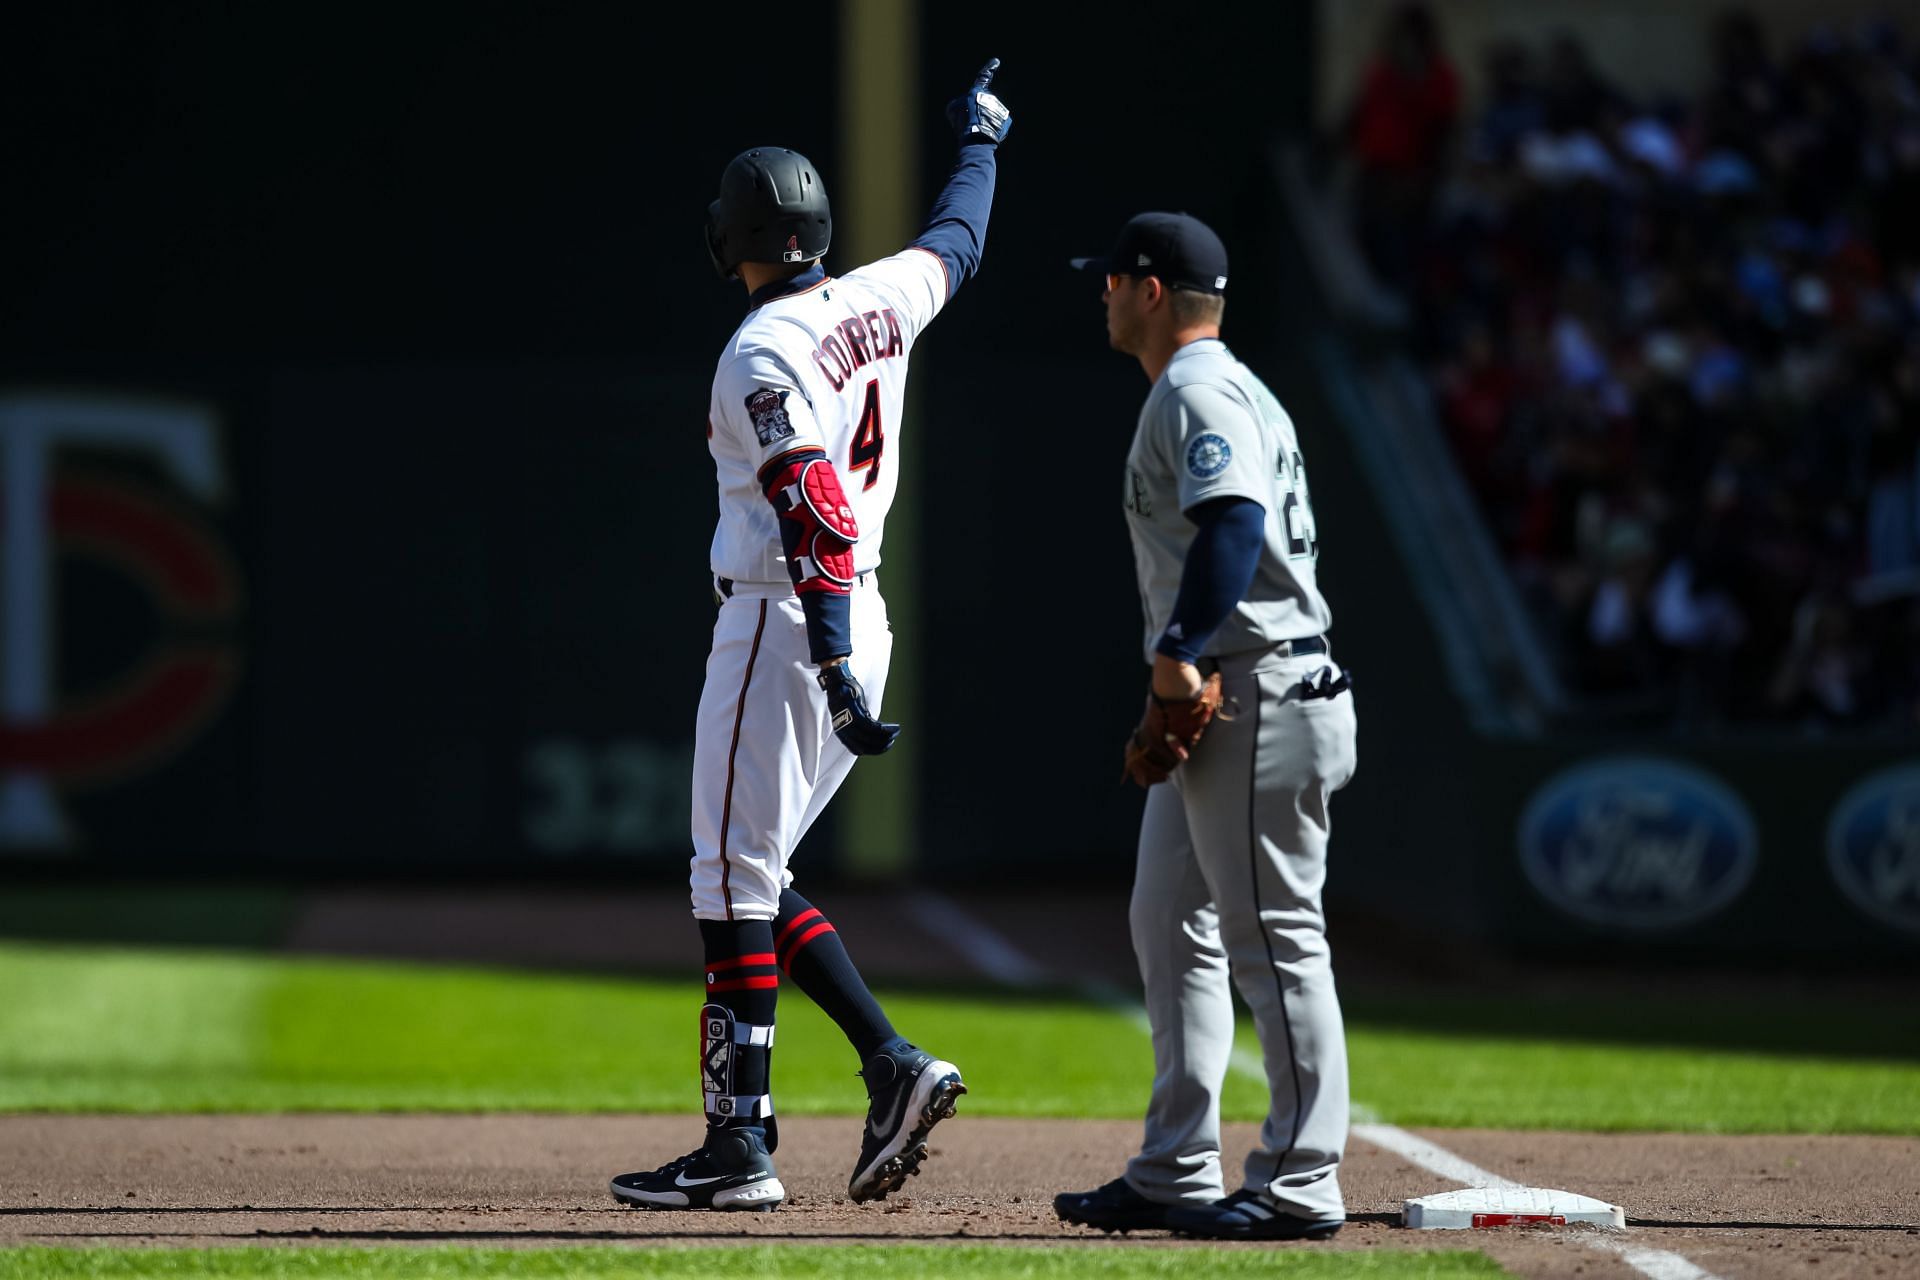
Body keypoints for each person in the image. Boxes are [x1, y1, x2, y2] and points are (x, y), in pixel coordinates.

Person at [608, 60, 1012, 1213]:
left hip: (789, 616)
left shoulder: (758, 351)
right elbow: (962, 238)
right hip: (854, 610)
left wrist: (827, 658)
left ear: (730, 237)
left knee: (725, 875)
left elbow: (813, 507)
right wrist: (982, 138)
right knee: (757, 870)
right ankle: (889, 1063)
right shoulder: (882, 293)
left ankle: (739, 1148)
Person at [1053, 213, 1357, 1240]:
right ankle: (1175, 1165)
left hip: (1259, 686)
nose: (1099, 293)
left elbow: (1235, 521)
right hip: (1239, 686)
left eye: (1110, 278)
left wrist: (1179, 645)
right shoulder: (1226, 386)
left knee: (1272, 941)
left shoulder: (1196, 387)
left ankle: (1301, 1178)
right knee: (1168, 921)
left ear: (1148, 288)